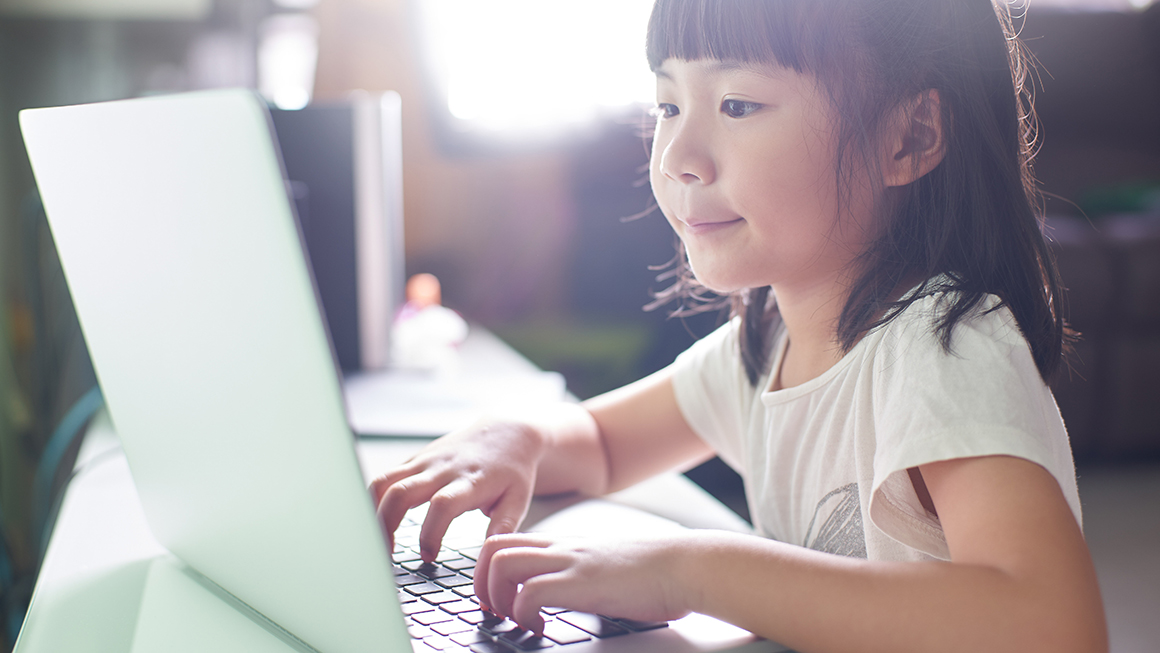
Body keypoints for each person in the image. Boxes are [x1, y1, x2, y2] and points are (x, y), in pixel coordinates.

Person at [371, 0, 1108, 650]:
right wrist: (519, 438)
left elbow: (1050, 627)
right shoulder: (767, 345)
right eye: (667, 106)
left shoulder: (943, 347)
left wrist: (688, 570)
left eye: (738, 105)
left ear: (908, 138)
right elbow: (601, 442)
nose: (678, 158)